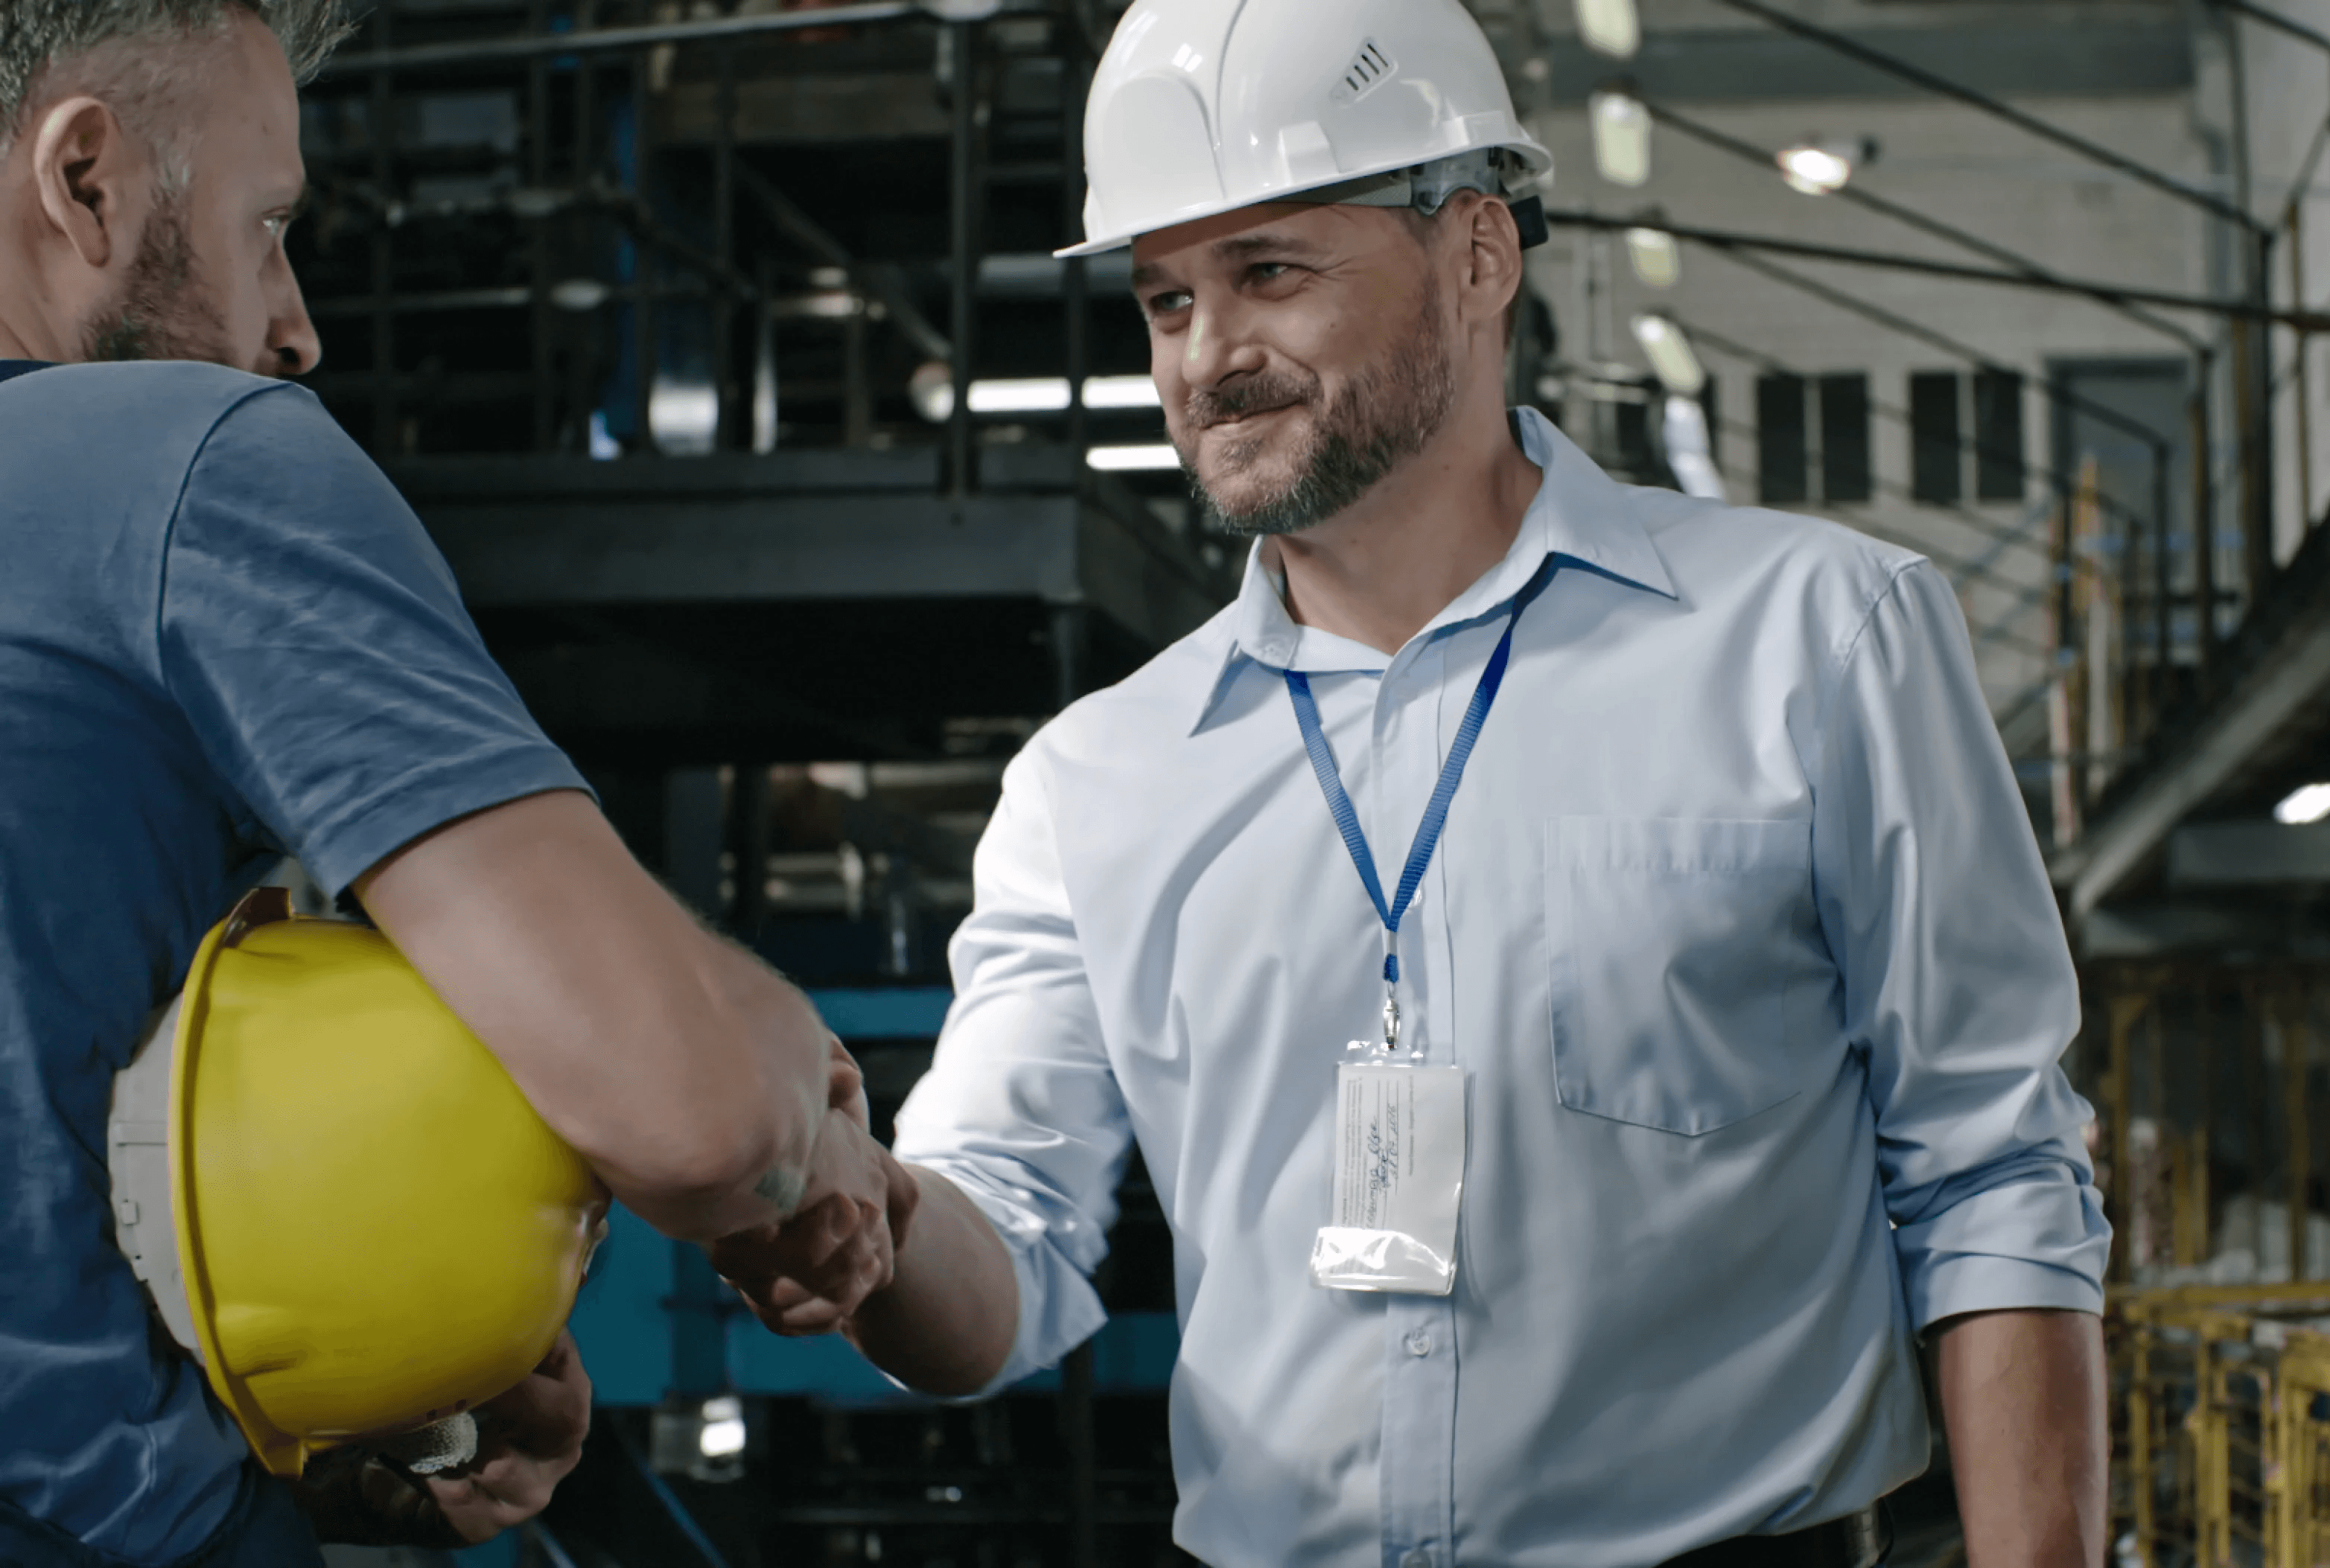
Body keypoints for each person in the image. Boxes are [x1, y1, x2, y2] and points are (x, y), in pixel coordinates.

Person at [710, 1, 2113, 1565]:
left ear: (1477, 256)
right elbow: (1005, 1254)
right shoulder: (1094, 785)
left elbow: (1991, 1166)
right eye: (1164, 298)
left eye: (1271, 272)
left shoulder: (1816, 640)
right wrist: (878, 1231)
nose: (1207, 357)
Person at [0, 3, 917, 1564]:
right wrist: (786, 1070)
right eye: (265, 228)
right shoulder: (177, 458)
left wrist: (369, 1428)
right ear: (87, 181)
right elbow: (688, 1116)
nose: (293, 328)